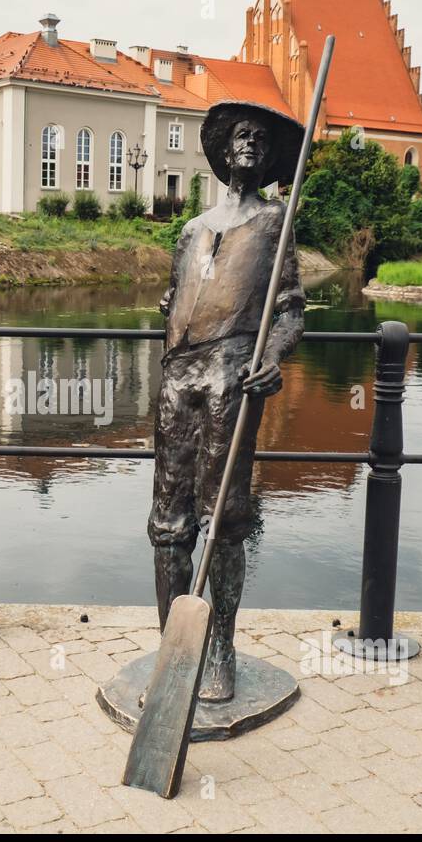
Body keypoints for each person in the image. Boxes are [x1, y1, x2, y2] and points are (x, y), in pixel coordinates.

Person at [148, 101, 305, 702]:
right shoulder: (192, 230)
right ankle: (172, 650)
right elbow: (172, 298)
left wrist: (274, 355)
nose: (250, 145)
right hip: (176, 382)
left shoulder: (275, 224)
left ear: (268, 158)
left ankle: (220, 650)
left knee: (225, 519)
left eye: (260, 141)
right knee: (168, 524)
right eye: (241, 137)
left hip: (231, 382)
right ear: (223, 152)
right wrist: (174, 311)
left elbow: (290, 308)